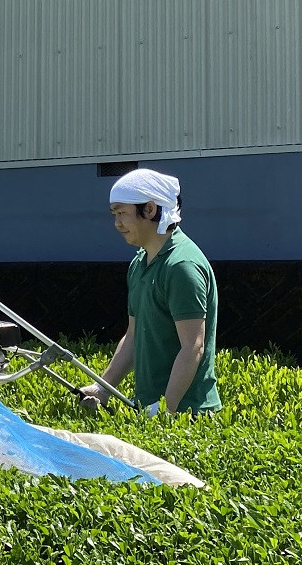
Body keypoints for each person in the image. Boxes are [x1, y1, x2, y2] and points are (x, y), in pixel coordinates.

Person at [80, 168, 221, 416]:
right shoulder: (139, 263)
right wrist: (102, 389)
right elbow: (133, 336)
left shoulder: (181, 266)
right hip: (148, 409)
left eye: (122, 213)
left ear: (150, 209)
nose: (117, 223)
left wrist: (167, 409)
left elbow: (192, 347)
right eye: (114, 214)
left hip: (188, 414)